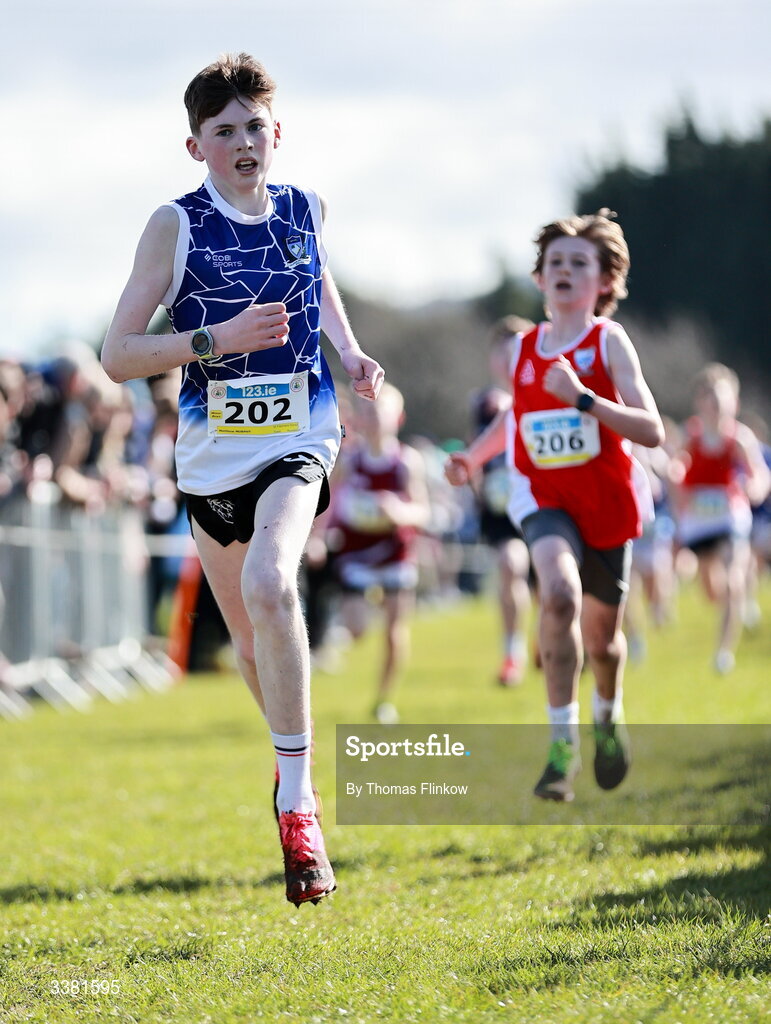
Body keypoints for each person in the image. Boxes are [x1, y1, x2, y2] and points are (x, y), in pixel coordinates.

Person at [101, 53, 384, 906]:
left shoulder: (306, 208)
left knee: (274, 581)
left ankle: (298, 809)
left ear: (277, 132)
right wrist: (212, 340)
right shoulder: (173, 226)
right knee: (255, 648)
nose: (243, 143)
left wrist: (346, 347)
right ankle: (290, 764)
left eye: (254, 126)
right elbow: (117, 357)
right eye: (223, 132)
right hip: (209, 456)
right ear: (197, 147)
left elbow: (318, 275)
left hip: (300, 434)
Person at [445, 210, 664, 801]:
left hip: (607, 503)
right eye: (556, 263)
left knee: (604, 641)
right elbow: (518, 416)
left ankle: (607, 715)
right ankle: (560, 748)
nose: (565, 270)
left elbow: (652, 430)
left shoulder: (607, 341)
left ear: (604, 282)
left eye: (579, 263)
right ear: (540, 279)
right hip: (543, 497)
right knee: (559, 594)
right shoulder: (522, 348)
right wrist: (474, 456)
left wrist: (587, 400)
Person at [325, 383, 430, 723]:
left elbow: (422, 511)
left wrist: (399, 513)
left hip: (396, 551)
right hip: (356, 552)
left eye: (379, 411)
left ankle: (385, 699)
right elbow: (326, 500)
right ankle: (342, 634)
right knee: (355, 629)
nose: (371, 418)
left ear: (397, 418)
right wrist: (317, 536)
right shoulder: (350, 458)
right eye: (366, 411)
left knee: (395, 630)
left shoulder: (406, 461)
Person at [669, 365, 769, 673]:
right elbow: (675, 470)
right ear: (700, 403)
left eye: (722, 401)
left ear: (734, 404)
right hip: (698, 521)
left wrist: (753, 487)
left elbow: (760, 475)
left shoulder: (739, 439)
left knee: (733, 578)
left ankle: (724, 653)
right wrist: (679, 494)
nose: (716, 407)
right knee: (713, 589)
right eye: (710, 400)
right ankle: (735, 600)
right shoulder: (692, 436)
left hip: (730, 513)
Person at [468, 386, 532, 686]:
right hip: (503, 520)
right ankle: (512, 654)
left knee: (550, 590)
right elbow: (473, 467)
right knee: (510, 565)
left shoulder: (532, 415)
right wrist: (478, 487)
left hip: (541, 509)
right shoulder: (482, 430)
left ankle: (551, 644)